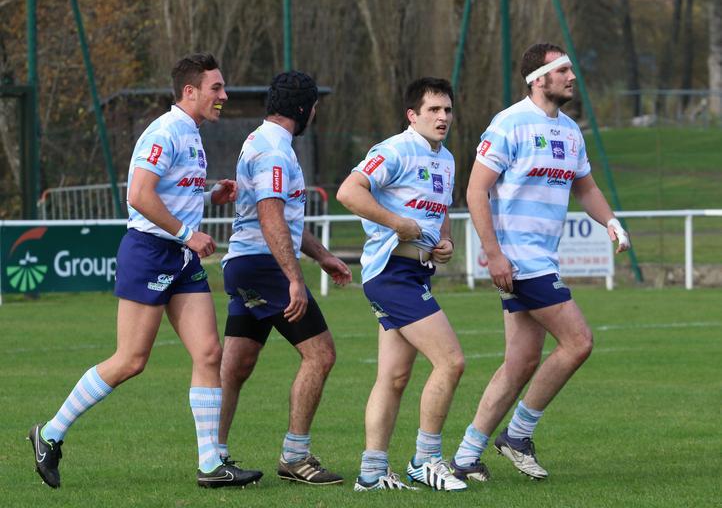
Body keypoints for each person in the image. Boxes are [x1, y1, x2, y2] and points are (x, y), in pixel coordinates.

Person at [28, 53, 263, 489]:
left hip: (180, 258)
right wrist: (188, 233)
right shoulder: (165, 131)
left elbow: (170, 193)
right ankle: (50, 433)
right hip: (150, 253)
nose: (224, 96)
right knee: (131, 360)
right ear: (190, 91)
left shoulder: (192, 134)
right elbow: (138, 195)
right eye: (216, 88)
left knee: (209, 353)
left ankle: (211, 464)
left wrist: (211, 196)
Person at [450, 43, 631, 482]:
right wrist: (494, 254)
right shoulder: (509, 124)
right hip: (520, 260)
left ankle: (466, 456)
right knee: (579, 342)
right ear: (538, 79)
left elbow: (585, 188)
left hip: (540, 259)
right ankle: (517, 435)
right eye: (563, 69)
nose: (572, 77)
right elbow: (475, 191)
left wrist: (611, 222)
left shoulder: (569, 131)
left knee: (520, 363)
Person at [218, 70, 352, 486]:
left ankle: (213, 455)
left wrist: (322, 256)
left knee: (236, 365)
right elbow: (270, 215)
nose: (315, 114)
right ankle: (295, 456)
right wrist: (294, 278)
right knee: (321, 355)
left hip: (245, 263)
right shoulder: (275, 150)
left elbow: (284, 220)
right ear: (304, 108)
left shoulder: (260, 140)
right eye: (315, 108)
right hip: (264, 265)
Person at [337, 77, 467, 492]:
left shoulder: (446, 159)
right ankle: (426, 460)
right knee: (451, 361)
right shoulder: (394, 150)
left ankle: (372, 472)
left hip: (414, 273)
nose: (443, 117)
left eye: (447, 110)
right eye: (434, 110)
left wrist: (444, 242)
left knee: (393, 378)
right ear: (412, 115)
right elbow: (348, 192)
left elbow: (440, 210)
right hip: (391, 274)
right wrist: (396, 223)